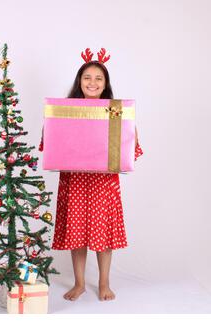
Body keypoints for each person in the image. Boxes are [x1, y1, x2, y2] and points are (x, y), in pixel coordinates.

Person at [39, 48, 143, 301]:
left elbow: (131, 145)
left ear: (105, 84)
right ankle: (80, 283)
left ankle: (104, 283)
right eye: (87, 77)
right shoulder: (65, 110)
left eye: (98, 78)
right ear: (79, 81)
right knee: (76, 231)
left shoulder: (115, 111)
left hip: (104, 181)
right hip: (74, 179)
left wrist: (130, 132)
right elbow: (49, 142)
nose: (92, 82)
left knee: (103, 232)